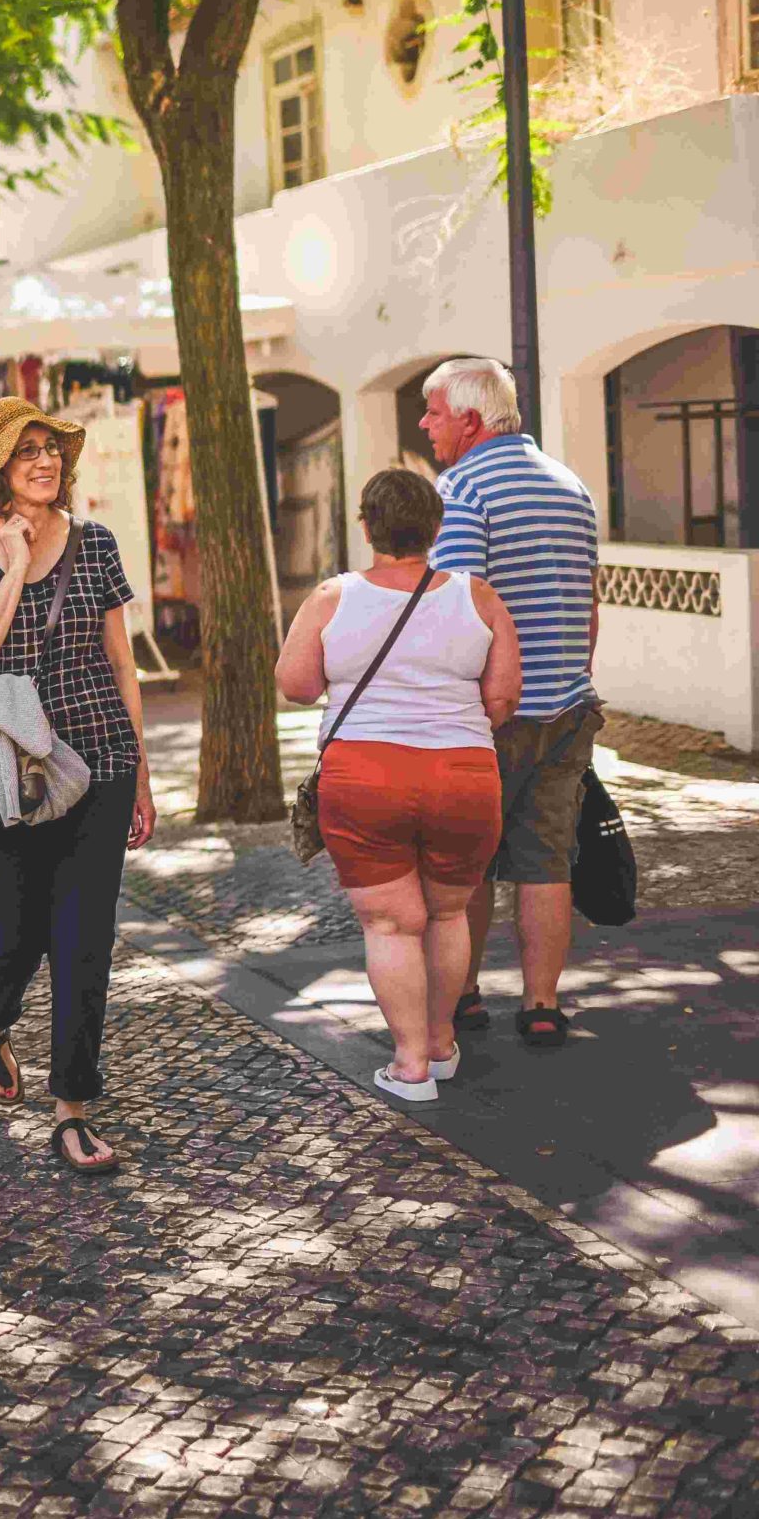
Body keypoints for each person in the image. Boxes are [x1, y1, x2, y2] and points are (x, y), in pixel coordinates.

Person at [0, 398, 156, 1179]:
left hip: (97, 757)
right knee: (16, 932)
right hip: (8, 774)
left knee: (84, 939)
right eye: (26, 450)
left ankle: (73, 1109)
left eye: (51, 447)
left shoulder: (95, 545)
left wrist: (142, 770)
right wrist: (18, 566)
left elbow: (121, 664)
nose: (45, 460)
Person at [276, 469, 521, 1101]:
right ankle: (440, 1044)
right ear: (437, 529)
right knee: (445, 912)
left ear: (366, 526)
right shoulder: (480, 597)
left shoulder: (332, 598)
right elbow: (503, 698)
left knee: (391, 925)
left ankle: (409, 1064)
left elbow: (297, 686)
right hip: (463, 775)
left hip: (365, 778)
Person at [421, 357, 605, 1048]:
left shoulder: (463, 488)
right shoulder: (571, 486)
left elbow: (462, 606)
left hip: (487, 715)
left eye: (433, 411)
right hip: (566, 708)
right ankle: (542, 1003)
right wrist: (575, 680)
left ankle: (464, 996)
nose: (424, 423)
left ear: (470, 419)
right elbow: (590, 602)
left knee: (465, 861)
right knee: (545, 861)